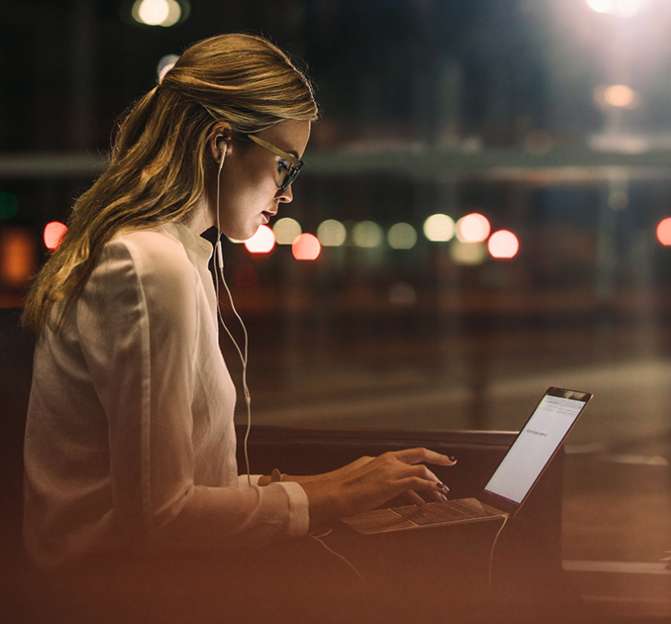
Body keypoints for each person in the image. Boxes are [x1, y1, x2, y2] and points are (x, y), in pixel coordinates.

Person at [19, 33, 455, 621]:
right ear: (222, 143)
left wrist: (337, 482)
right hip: (117, 597)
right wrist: (330, 496)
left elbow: (175, 488)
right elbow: (162, 519)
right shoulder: (151, 265)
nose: (290, 191)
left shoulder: (173, 257)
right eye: (285, 164)